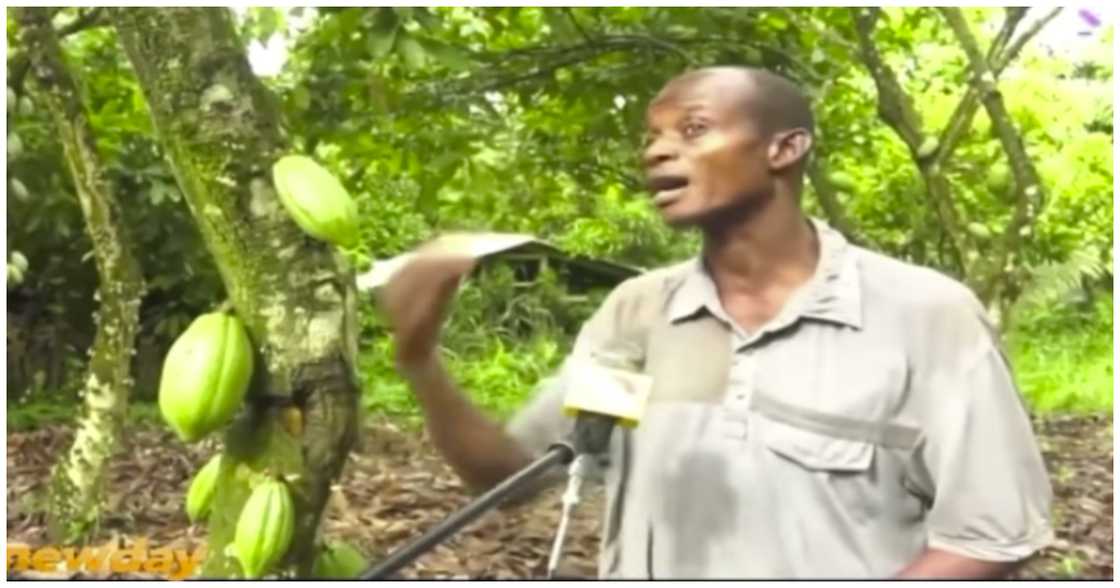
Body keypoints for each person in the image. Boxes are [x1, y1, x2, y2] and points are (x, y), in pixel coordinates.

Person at [377, 66, 1054, 579]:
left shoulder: (922, 316)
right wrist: (419, 360)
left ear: (783, 149)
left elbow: (989, 536)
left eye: (693, 130)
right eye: (653, 137)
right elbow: (511, 477)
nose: (656, 153)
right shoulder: (639, 315)